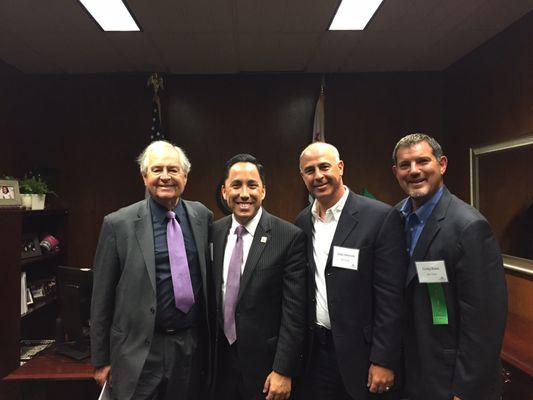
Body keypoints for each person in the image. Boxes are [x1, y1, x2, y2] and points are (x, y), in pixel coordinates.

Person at [90, 140, 213, 400]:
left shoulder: (202, 216)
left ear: (185, 176)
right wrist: (100, 360)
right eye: (157, 170)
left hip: (188, 347)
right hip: (138, 352)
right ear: (145, 176)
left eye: (173, 169)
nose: (165, 177)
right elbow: (101, 297)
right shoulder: (118, 224)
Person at [391, 133, 508, 400]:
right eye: (405, 165)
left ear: (441, 164)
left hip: (453, 379)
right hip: (411, 374)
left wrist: (464, 391)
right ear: (395, 171)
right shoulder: (395, 218)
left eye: (422, 161)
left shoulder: (468, 226)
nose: (414, 171)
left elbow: (485, 321)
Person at [296, 142, 407, 400]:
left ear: (341, 168)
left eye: (324, 167)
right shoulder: (302, 222)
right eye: (309, 170)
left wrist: (384, 359)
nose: (318, 176)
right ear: (302, 177)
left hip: (364, 355)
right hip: (317, 355)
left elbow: (391, 296)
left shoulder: (379, 217)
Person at [212, 154, 307, 400]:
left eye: (252, 185)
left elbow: (294, 313)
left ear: (263, 191)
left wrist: (283, 369)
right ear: (224, 192)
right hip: (219, 367)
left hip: (266, 370)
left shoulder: (288, 237)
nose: (244, 193)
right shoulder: (214, 232)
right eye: (236, 185)